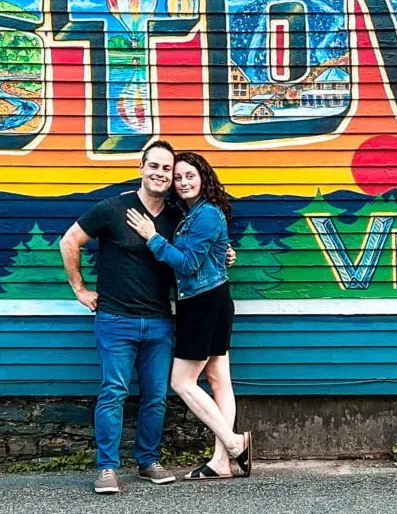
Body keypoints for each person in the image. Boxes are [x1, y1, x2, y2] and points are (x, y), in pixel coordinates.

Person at [59, 140, 182, 495]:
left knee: (156, 395)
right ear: (142, 168)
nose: (160, 174)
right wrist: (79, 289)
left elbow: (194, 251)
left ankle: (148, 461)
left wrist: (226, 253)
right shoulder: (114, 208)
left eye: (167, 169)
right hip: (115, 319)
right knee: (114, 392)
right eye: (154, 166)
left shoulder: (176, 216)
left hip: (159, 321)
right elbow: (69, 241)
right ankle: (107, 468)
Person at [126, 151, 252, 481]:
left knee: (181, 381)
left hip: (203, 303)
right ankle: (221, 463)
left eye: (189, 176)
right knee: (218, 381)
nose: (182, 182)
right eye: (178, 177)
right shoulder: (192, 213)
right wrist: (223, 253)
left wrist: (151, 237)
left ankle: (233, 443)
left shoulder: (206, 214)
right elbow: (208, 253)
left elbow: (188, 264)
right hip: (211, 300)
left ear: (203, 177)